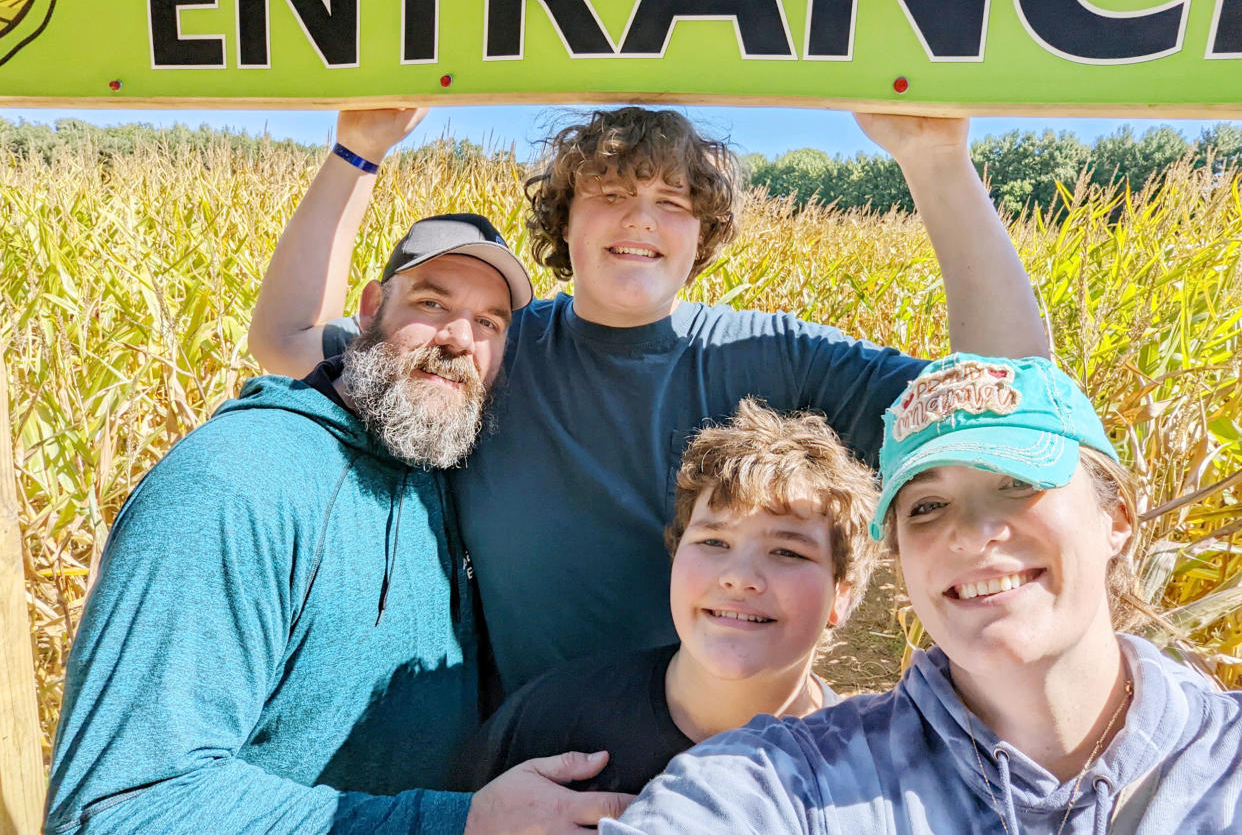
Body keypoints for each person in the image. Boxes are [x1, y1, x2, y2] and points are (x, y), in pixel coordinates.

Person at [249, 107, 1051, 695]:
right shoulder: (496, 345)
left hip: (722, 749)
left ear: (703, 238)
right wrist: (356, 149)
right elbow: (286, 338)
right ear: (564, 227)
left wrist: (938, 160)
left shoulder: (772, 352)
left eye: (673, 202)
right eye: (608, 192)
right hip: (528, 753)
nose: (640, 219)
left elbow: (1004, 395)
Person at [45, 215, 630, 834]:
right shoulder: (236, 482)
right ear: (371, 307)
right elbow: (120, 807)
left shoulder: (437, 462)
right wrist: (457, 823)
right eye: (432, 303)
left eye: (490, 322)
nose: (460, 339)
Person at [603, 354, 1242, 834]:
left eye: (1016, 482)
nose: (970, 533)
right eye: (929, 505)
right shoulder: (792, 783)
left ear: (1119, 518)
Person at [461, 398, 878, 793]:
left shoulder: (870, 776)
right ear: (676, 555)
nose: (739, 578)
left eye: (787, 551)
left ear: (841, 595)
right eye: (714, 542)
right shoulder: (552, 722)